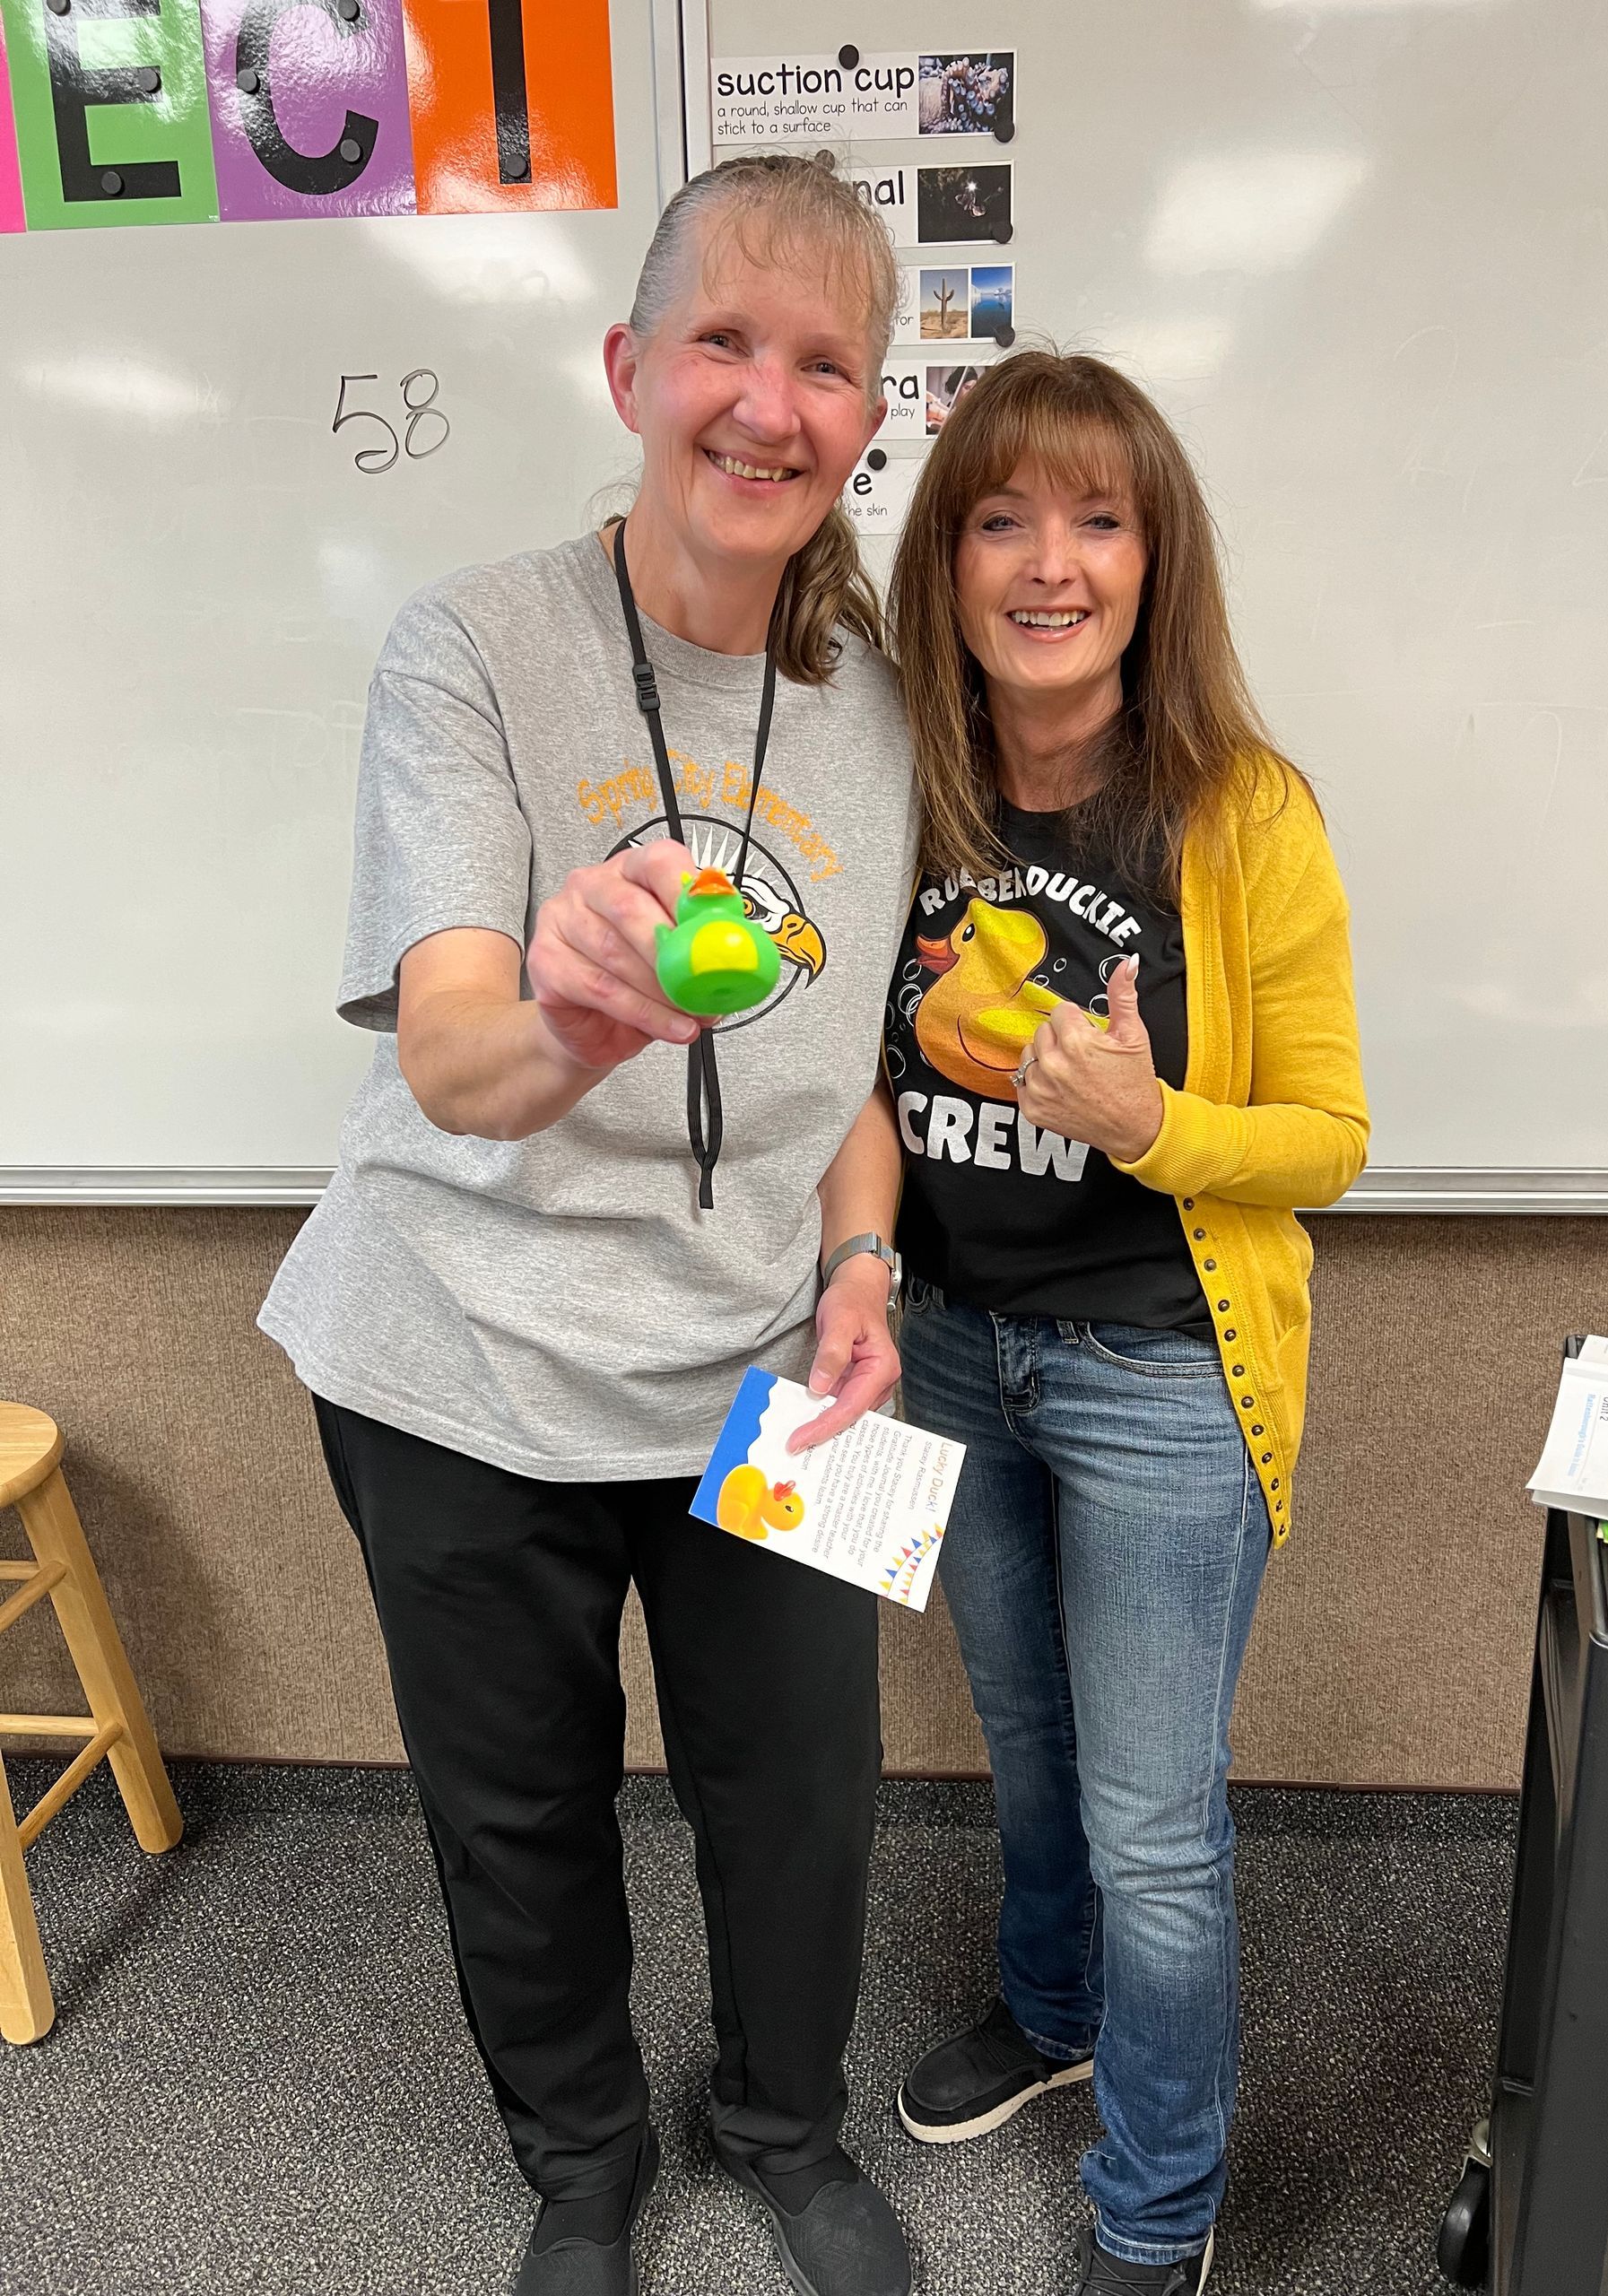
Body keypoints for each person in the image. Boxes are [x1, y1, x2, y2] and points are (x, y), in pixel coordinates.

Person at [258, 154, 918, 2296]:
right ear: (632, 367)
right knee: (518, 1807)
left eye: (826, 365)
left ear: (869, 417)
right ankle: (581, 2161)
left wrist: (860, 1264)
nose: (769, 402)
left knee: (803, 1789)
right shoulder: (471, 644)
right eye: (724, 339)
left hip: (757, 1357)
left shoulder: (889, 709)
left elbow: (853, 1088)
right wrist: (572, 1005)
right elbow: (450, 1052)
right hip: (458, 1346)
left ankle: (787, 2123)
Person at [882, 353, 1369, 2295]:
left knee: (1156, 1817)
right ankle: (1049, 2002)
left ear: (1158, 561)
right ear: (950, 558)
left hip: (1162, 1371)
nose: (1049, 561)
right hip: (940, 1344)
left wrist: (1148, 1121)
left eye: (1098, 517)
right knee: (1024, 1741)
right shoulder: (901, 776)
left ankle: (1160, 2203)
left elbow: (1331, 1137)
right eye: (1002, 516)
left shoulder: (1242, 813)